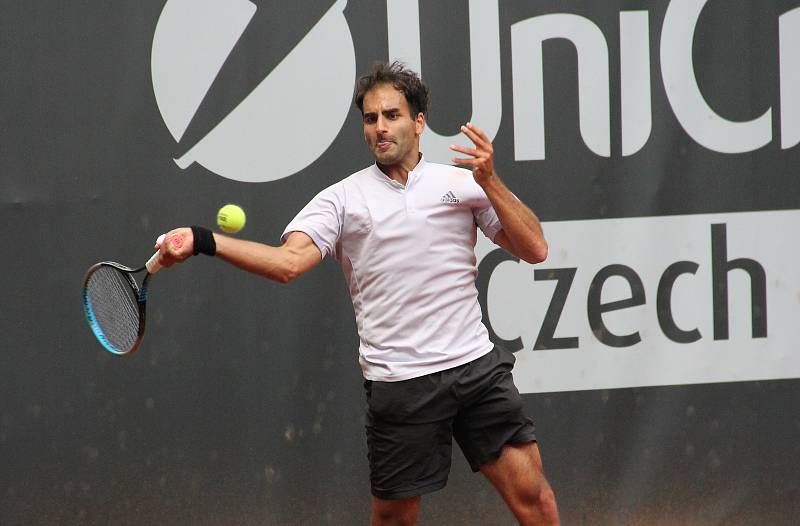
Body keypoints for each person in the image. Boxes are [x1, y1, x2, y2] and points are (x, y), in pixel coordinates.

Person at [156, 61, 559, 526]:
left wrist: (489, 181)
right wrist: (204, 240)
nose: (380, 128)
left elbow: (536, 249)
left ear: (419, 121)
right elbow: (287, 264)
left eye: (392, 115)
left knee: (537, 501)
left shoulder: (462, 185)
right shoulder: (341, 200)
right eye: (370, 119)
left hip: (475, 371)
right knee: (394, 521)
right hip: (401, 384)